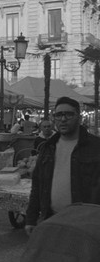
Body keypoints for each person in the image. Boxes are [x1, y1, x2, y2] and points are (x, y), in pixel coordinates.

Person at [25, 97, 100, 236]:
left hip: (85, 224)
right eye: (59, 115)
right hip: (51, 219)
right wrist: (31, 218)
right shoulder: (48, 147)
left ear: (79, 117)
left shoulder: (95, 147)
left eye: (69, 114)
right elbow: (37, 185)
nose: (63, 119)